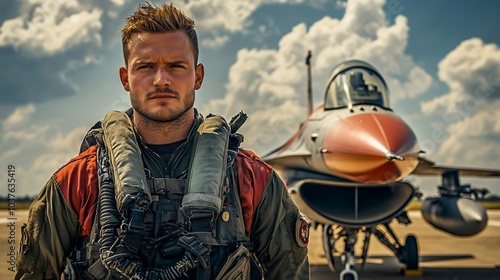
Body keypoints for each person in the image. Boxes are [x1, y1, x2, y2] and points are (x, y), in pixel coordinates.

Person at [15, 3, 309, 280]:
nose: (160, 80)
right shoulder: (78, 182)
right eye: (145, 67)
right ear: (125, 78)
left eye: (176, 66)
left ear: (198, 76)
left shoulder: (251, 180)